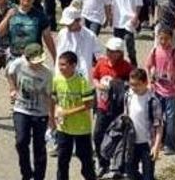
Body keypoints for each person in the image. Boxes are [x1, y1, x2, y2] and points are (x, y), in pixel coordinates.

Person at [8, 43, 54, 180]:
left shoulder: (47, 73)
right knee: (21, 141)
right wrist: (12, 89)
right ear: (26, 58)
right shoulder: (18, 64)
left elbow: (49, 96)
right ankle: (26, 174)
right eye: (34, 62)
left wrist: (51, 117)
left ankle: (39, 176)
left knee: (39, 147)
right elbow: (9, 73)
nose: (37, 64)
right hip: (21, 109)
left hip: (40, 113)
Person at [145, 26, 175, 155]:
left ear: (171, 39)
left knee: (170, 120)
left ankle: (170, 145)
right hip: (158, 91)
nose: (163, 42)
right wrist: (150, 82)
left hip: (172, 93)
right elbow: (147, 66)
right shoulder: (154, 51)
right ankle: (157, 142)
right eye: (161, 39)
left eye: (166, 39)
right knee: (157, 118)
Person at [52, 51, 96, 180]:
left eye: (64, 65)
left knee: (86, 160)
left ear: (73, 65)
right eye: (59, 64)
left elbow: (88, 105)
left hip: (81, 129)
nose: (60, 67)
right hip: (63, 128)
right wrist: (54, 113)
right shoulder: (57, 80)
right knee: (62, 161)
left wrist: (67, 112)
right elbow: (54, 99)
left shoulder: (82, 81)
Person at [92, 37, 132, 174]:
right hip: (102, 106)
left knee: (116, 137)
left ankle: (117, 166)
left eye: (114, 51)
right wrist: (98, 85)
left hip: (118, 109)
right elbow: (95, 77)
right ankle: (102, 163)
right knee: (97, 135)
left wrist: (120, 84)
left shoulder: (126, 67)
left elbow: (132, 83)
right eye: (108, 50)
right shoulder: (101, 63)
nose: (110, 53)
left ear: (120, 53)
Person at [0, 0, 57, 64]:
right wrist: (7, 17)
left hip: (34, 59)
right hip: (14, 58)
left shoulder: (41, 16)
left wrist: (55, 57)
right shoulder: (10, 12)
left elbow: (48, 38)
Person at [126, 68, 164, 180]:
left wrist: (156, 146)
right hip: (132, 142)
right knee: (130, 171)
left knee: (148, 175)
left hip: (147, 145)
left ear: (145, 83)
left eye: (137, 85)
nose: (133, 87)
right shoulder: (128, 96)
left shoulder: (152, 101)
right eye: (131, 84)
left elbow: (159, 126)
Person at [55, 6, 102, 80]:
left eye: (71, 24)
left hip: (83, 78)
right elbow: (59, 54)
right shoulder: (62, 34)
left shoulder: (90, 36)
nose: (68, 26)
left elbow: (98, 56)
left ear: (78, 20)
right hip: (64, 77)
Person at [111, 0, 143, 66]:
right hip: (117, 18)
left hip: (129, 18)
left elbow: (138, 2)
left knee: (129, 41)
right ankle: (119, 64)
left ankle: (133, 62)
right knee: (117, 45)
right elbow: (113, 1)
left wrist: (136, 16)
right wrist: (110, 15)